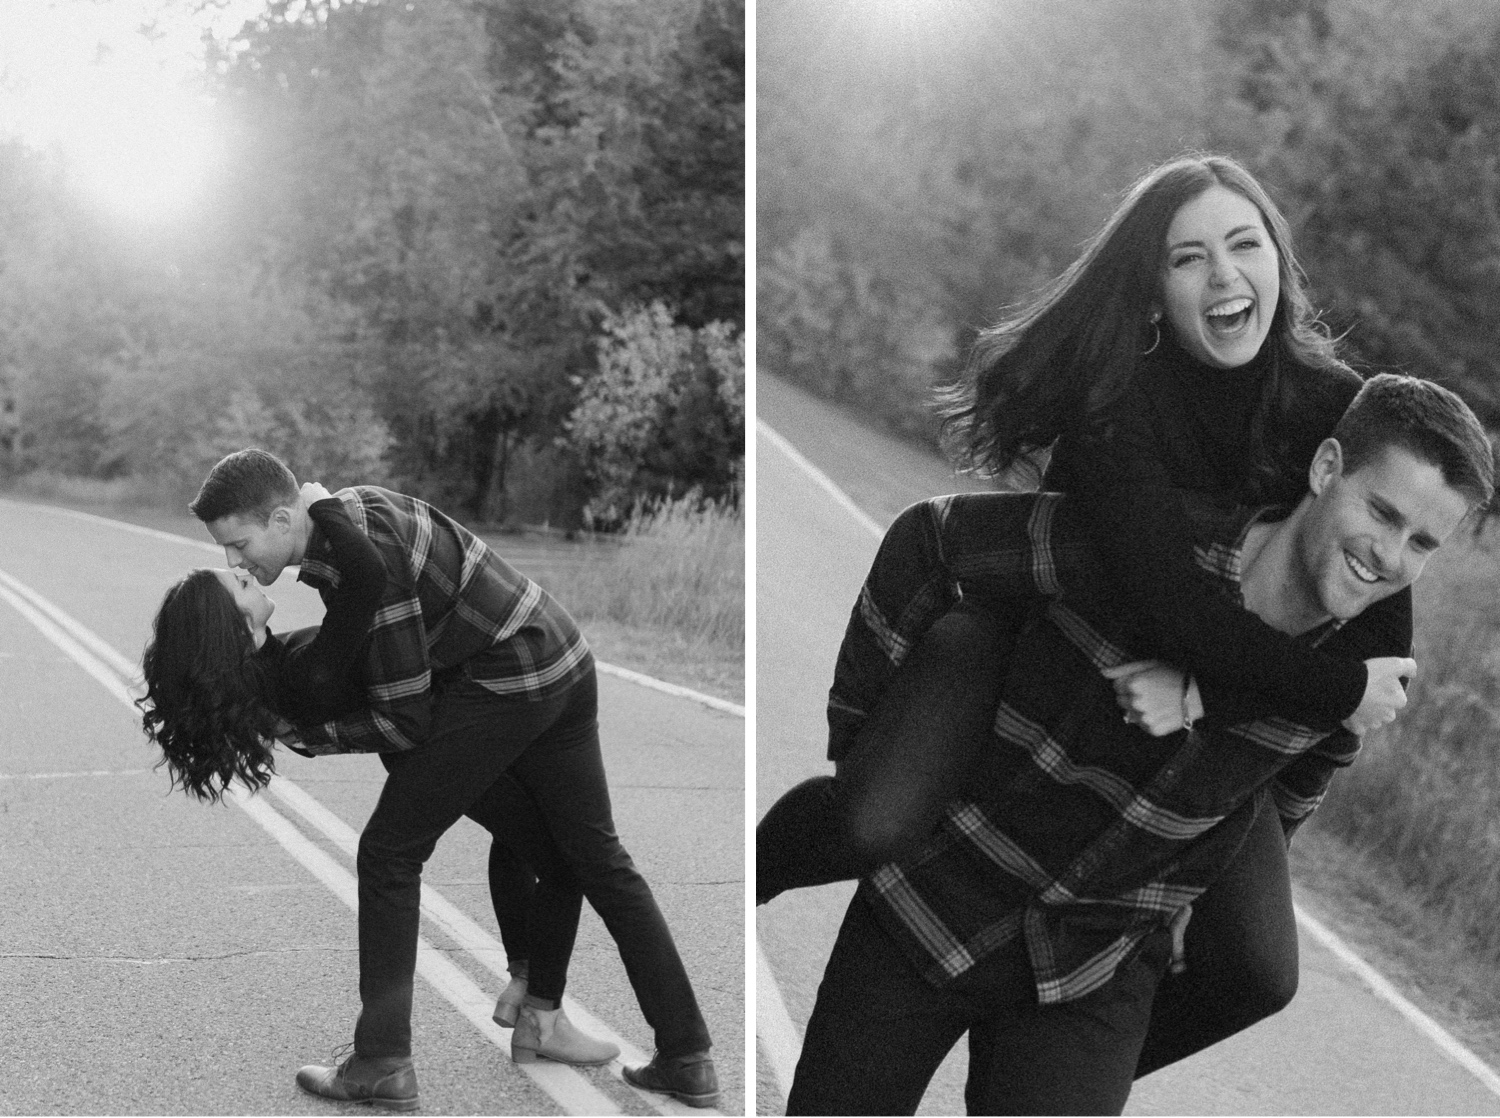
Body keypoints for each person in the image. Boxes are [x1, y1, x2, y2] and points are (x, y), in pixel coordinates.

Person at [757, 153, 1415, 1071]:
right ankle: (759, 867)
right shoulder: (1117, 406)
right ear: (1153, 290)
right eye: (1189, 259)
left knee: (1259, 970)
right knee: (873, 821)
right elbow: (1179, 615)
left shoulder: (1331, 411)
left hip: (1215, 686)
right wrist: (1332, 688)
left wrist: (1216, 715)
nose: (1225, 276)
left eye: (1243, 245)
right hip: (1027, 631)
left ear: (1279, 262)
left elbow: (1380, 636)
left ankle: (1056, 1054)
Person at [785, 373, 1494, 1115]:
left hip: (1090, 970)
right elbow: (933, 540)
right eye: (1381, 512)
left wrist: (1184, 894)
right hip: (935, 901)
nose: (1388, 556)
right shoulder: (1143, 550)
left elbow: (1284, 800)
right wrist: (861, 741)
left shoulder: (1361, 683)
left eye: (1422, 543)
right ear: (1325, 469)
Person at [145, 453, 718, 1109]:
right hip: (556, 653)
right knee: (586, 856)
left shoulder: (358, 559)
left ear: (282, 519)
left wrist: (305, 737)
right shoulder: (349, 524)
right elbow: (378, 663)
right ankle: (673, 1050)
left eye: (239, 546)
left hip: (509, 680)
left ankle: (383, 1061)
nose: (238, 562)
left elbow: (403, 717)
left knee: (391, 852)